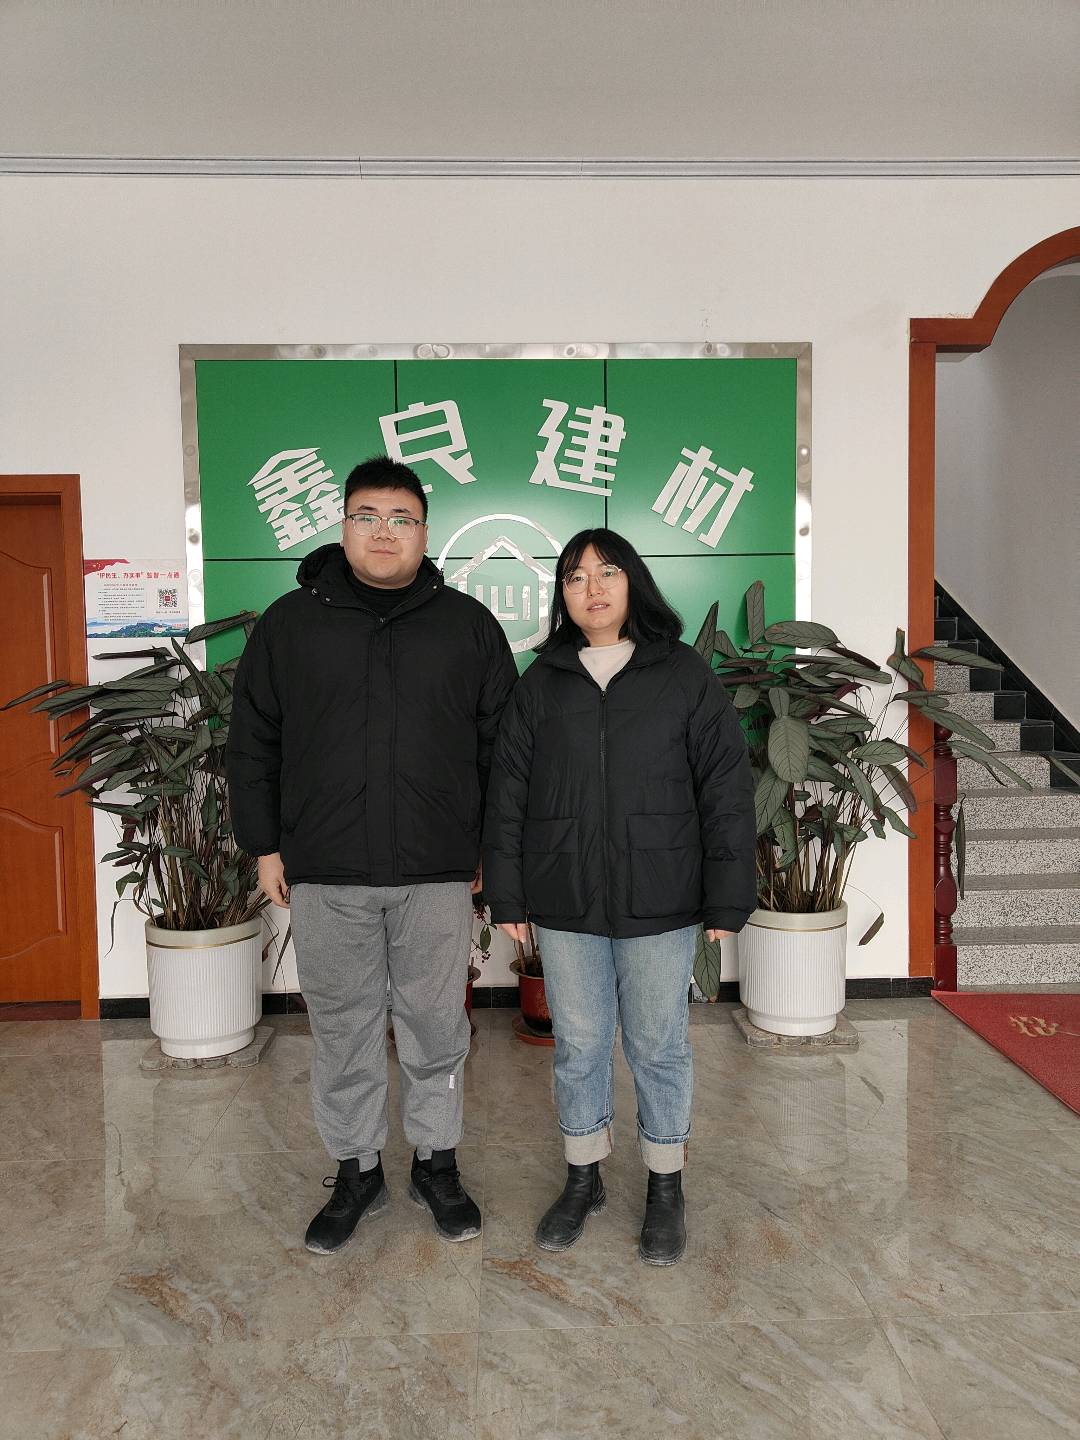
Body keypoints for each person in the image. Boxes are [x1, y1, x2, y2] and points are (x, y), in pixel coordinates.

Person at [226, 455, 517, 1255]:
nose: (384, 532)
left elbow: (503, 751)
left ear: (424, 533)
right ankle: (357, 1171)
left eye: (401, 519)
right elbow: (253, 741)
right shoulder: (290, 625)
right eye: (367, 516)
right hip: (326, 868)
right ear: (342, 524)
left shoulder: (468, 627)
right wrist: (264, 846)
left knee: (435, 1025)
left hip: (436, 869)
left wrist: (490, 850)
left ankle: (436, 1162)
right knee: (344, 1027)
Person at [483, 529, 755, 1265]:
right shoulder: (541, 683)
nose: (592, 588)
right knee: (578, 1043)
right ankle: (584, 1177)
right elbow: (507, 796)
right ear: (562, 596)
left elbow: (725, 789)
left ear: (633, 582)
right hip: (565, 896)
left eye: (606, 572)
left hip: (660, 895)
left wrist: (727, 897)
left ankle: (666, 1185)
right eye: (575, 577)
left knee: (658, 1044)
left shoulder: (683, 674)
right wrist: (507, 894)